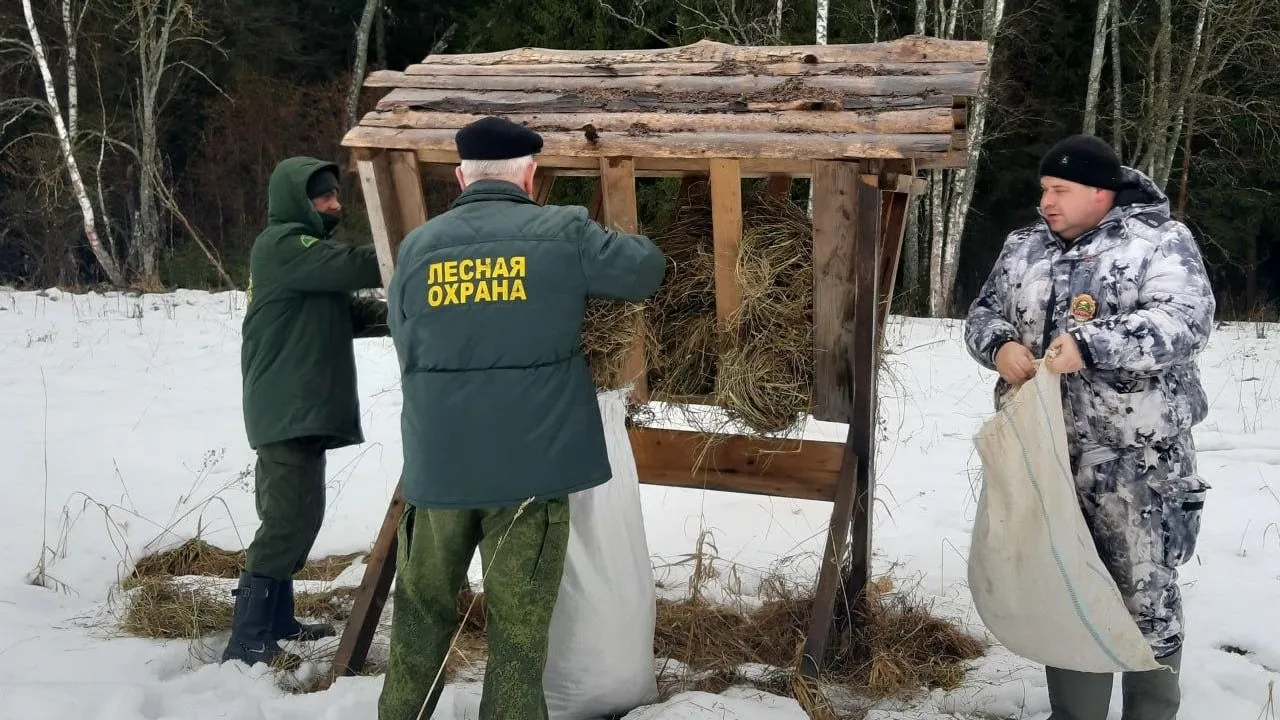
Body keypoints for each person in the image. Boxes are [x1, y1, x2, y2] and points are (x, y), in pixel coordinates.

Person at [377, 117, 666, 720]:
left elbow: (407, 342)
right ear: (531, 176)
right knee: (517, 635)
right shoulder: (562, 231)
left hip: (440, 470)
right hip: (527, 476)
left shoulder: (418, 247)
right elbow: (643, 270)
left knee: (421, 616)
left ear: (461, 177)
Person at [965, 134, 1214, 720]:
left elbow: (1185, 321)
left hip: (1139, 462)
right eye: (1044, 190)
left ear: (1101, 193)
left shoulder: (1159, 241)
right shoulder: (1024, 247)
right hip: (1047, 455)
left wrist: (1091, 343)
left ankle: (1150, 713)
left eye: (1060, 190)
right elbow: (982, 311)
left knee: (1144, 594)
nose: (1046, 201)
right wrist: (998, 345)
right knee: (1067, 586)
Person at [223, 156, 389, 669]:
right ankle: (247, 637)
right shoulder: (283, 246)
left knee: (301, 518)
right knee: (283, 522)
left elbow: (350, 310)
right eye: (325, 197)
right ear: (298, 199)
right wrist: (421, 251)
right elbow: (355, 265)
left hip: (301, 410)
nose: (336, 205)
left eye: (338, 195)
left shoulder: (305, 262)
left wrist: (413, 309)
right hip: (286, 408)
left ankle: (278, 621)